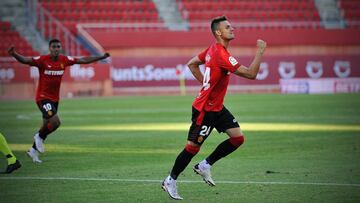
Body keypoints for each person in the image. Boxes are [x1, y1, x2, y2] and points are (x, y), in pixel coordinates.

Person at [161, 16, 266, 200]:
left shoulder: (213, 49)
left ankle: (205, 165)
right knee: (192, 148)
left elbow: (192, 63)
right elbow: (251, 74)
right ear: (219, 32)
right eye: (228, 27)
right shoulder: (221, 55)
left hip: (217, 107)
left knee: (237, 138)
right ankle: (170, 180)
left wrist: (205, 84)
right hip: (205, 110)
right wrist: (260, 51)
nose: (232, 29)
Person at [8, 39, 110, 163]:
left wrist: (100, 57)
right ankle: (39, 136)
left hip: (55, 99)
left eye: (58, 47)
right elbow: (26, 60)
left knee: (46, 125)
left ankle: (33, 151)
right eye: (54, 47)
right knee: (55, 122)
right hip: (43, 98)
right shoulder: (42, 60)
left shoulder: (64, 60)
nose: (56, 49)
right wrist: (14, 54)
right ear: (50, 48)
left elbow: (82, 60)